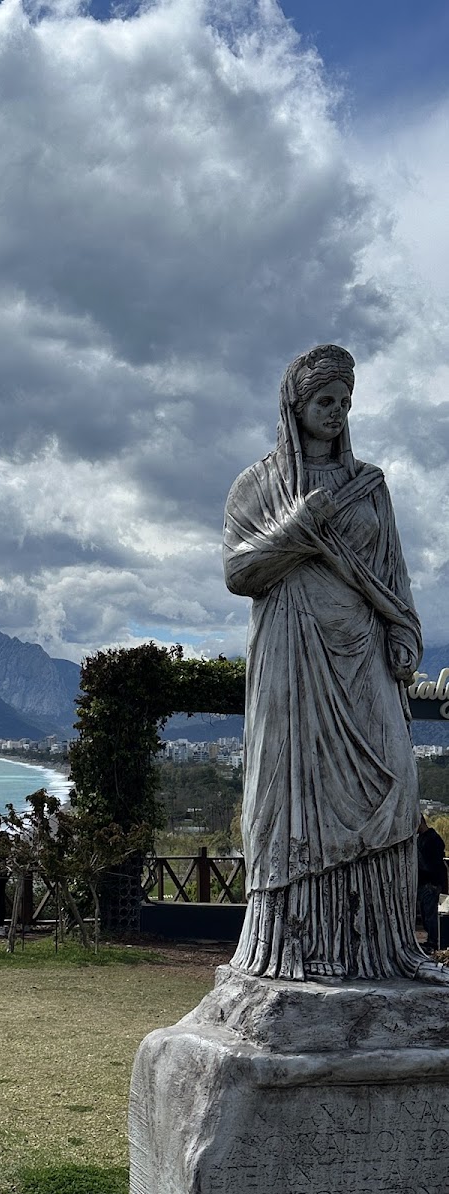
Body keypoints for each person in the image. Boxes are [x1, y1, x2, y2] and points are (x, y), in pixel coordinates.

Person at [224, 343, 446, 984]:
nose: (337, 412)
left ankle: (382, 950)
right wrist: (297, 526)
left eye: (345, 402)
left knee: (394, 783)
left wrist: (405, 630)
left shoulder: (370, 485)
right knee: (293, 799)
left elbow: (392, 571)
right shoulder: (260, 484)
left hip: (364, 654)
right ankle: (292, 949)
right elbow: (239, 570)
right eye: (325, 400)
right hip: (293, 657)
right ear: (295, 406)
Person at [417, 815, 447, 954]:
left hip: (430, 882)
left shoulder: (430, 840)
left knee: (430, 914)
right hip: (428, 882)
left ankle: (434, 942)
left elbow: (432, 864)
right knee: (426, 913)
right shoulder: (427, 839)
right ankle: (432, 940)